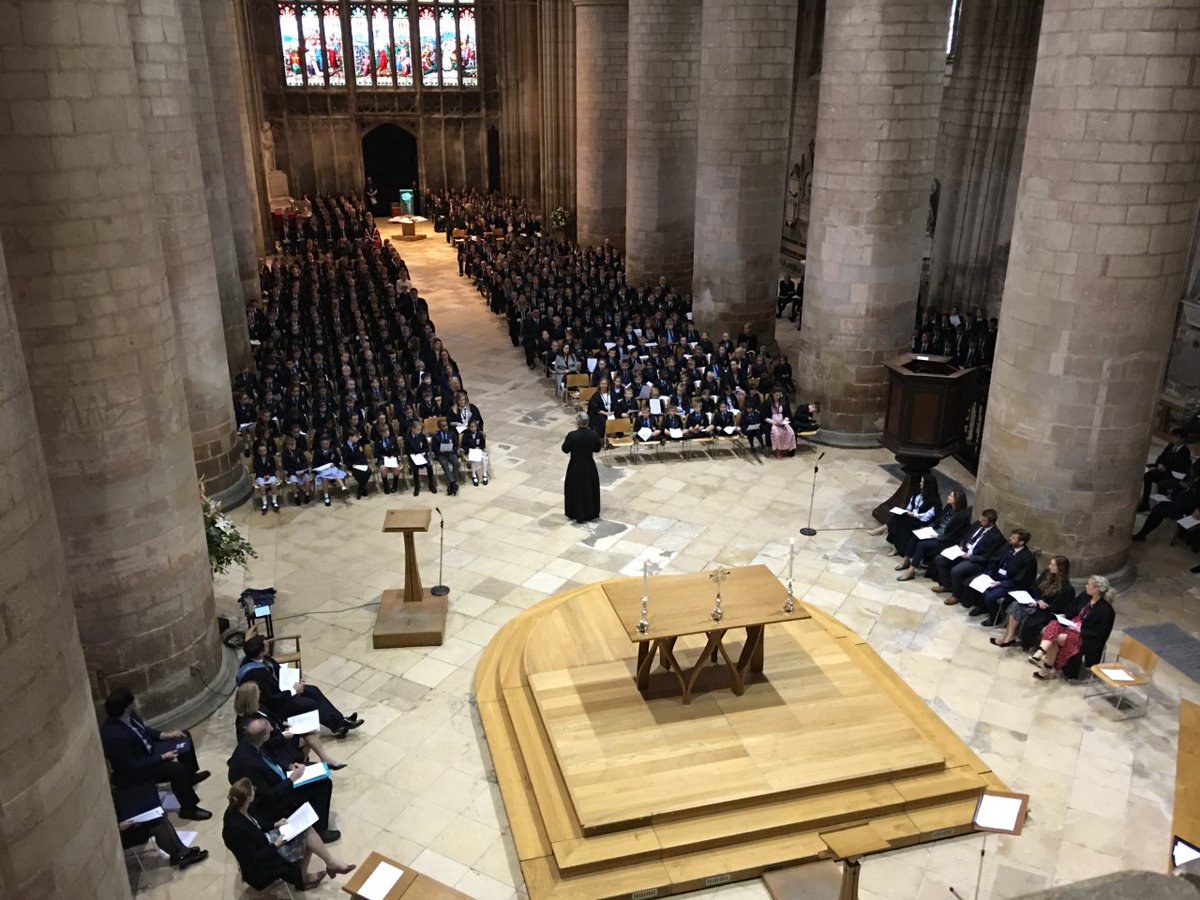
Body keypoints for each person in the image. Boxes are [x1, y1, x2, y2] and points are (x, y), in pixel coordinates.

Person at [100, 687, 213, 821]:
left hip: (148, 751)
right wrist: (162, 758)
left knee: (183, 736)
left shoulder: (129, 715)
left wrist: (165, 735)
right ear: (126, 707)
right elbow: (130, 765)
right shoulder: (115, 736)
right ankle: (188, 809)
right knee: (177, 770)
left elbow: (143, 730)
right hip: (139, 769)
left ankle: (190, 776)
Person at [226, 719, 339, 845]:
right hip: (276, 796)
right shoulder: (250, 765)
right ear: (263, 736)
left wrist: (289, 766)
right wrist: (292, 779)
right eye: (269, 729)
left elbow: (271, 759)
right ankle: (320, 830)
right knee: (323, 784)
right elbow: (269, 796)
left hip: (281, 775)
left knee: (319, 772)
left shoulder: (251, 742)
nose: (272, 730)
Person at [236, 635, 362, 737]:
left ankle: (341, 721)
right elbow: (271, 699)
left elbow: (278, 672)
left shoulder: (261, 658)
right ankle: (338, 725)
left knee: (313, 691)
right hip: (277, 705)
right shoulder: (254, 675)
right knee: (310, 704)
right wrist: (293, 691)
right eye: (266, 646)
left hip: (283, 690)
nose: (269, 645)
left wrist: (295, 680)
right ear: (259, 652)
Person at [233, 682, 345, 770]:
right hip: (276, 746)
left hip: (280, 733)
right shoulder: (247, 723)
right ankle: (303, 763)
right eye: (257, 692)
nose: (260, 693)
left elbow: (272, 717)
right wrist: (283, 736)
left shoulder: (259, 706)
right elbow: (263, 745)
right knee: (308, 738)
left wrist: (282, 723)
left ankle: (323, 759)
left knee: (311, 732)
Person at [1030, 575, 1116, 679]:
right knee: (1054, 624)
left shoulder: (1106, 611)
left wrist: (1079, 630)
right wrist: (1064, 616)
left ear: (1096, 589)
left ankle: (1045, 665)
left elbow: (1100, 634)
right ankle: (1041, 654)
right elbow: (1071, 608)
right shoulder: (1085, 596)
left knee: (1055, 638)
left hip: (1086, 637)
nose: (1086, 586)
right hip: (1072, 626)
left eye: (1088, 584)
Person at [114, 780, 209, 869]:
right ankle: (182, 853)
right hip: (121, 834)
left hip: (124, 824)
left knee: (160, 817)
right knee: (159, 826)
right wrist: (120, 826)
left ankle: (180, 853)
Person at [991, 555, 1075, 649]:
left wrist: (1044, 605)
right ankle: (1008, 636)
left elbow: (1059, 608)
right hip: (1036, 602)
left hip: (1046, 611)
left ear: (1060, 568)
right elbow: (1035, 587)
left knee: (1017, 606)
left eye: (1052, 565)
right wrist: (1038, 600)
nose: (1049, 566)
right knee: (1016, 604)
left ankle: (1009, 637)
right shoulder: (1047, 573)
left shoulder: (1067, 589)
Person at [931, 508, 1006, 606]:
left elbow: (987, 558)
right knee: (940, 559)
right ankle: (947, 585)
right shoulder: (977, 524)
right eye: (981, 518)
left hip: (975, 560)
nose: (980, 521)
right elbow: (965, 536)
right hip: (962, 551)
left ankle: (956, 595)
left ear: (991, 523)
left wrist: (971, 557)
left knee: (956, 570)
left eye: (984, 521)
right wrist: (962, 545)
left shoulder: (996, 537)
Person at [962, 528, 1037, 624]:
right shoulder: (1007, 548)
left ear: (1021, 542)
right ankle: (981, 606)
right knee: (970, 582)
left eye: (1013, 538)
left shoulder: (1028, 558)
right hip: (996, 575)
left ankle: (995, 618)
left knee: (990, 595)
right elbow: (995, 561)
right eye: (1010, 536)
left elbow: (1021, 579)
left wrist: (1001, 583)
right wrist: (989, 574)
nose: (1009, 538)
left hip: (1010, 583)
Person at [894, 489, 970, 581]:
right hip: (935, 532)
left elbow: (953, 534)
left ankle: (911, 570)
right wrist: (929, 528)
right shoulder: (949, 507)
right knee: (915, 536)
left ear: (957, 499)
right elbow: (937, 521)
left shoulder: (962, 516)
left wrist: (938, 537)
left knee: (922, 545)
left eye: (951, 496)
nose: (948, 497)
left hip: (945, 540)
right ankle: (906, 560)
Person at [871, 473, 941, 556]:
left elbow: (926, 516)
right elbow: (910, 505)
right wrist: (907, 511)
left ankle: (881, 531)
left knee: (898, 519)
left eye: (923, 482)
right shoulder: (918, 493)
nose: (920, 483)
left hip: (921, 522)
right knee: (898, 517)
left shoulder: (934, 501)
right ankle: (893, 545)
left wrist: (913, 514)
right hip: (911, 517)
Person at [562, 412, 602, 523]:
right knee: (589, 488)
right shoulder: (593, 434)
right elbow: (597, 449)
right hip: (589, 465)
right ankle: (591, 512)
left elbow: (565, 449)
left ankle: (575, 512)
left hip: (575, 466)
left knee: (576, 489)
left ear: (579, 422)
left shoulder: (572, 435)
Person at [1140, 430, 1192, 511]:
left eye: (1176, 437)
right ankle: (1145, 501)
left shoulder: (1185, 452)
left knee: (1153, 478)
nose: (1173, 438)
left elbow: (1180, 467)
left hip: (1171, 474)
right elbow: (1161, 457)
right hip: (1162, 469)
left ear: (1182, 439)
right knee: (1146, 472)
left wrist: (1165, 468)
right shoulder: (1170, 445)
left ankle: (1151, 504)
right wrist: (1159, 464)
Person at [403, 417, 438, 497]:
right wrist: (413, 454)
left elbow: (426, 447)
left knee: (429, 466)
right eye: (418, 430)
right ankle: (417, 487)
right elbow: (407, 450)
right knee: (415, 468)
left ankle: (431, 485)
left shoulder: (422, 436)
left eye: (420, 429)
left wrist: (423, 452)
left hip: (422, 455)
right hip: (414, 457)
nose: (420, 431)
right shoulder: (408, 438)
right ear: (413, 429)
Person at [311, 435, 349, 506]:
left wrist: (334, 464)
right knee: (324, 478)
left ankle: (344, 488)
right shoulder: (317, 452)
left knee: (334, 471)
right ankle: (326, 497)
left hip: (332, 469)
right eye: (323, 444)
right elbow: (314, 465)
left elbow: (337, 461)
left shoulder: (333, 449)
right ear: (320, 444)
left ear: (329, 442)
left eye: (327, 443)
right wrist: (318, 470)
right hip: (322, 471)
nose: (325, 445)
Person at [431, 417, 461, 495]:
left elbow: (455, 445)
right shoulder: (435, 436)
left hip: (451, 453)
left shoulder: (452, 433)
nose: (446, 427)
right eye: (443, 426)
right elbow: (434, 448)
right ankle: (453, 483)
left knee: (456, 463)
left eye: (446, 425)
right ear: (439, 427)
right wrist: (440, 451)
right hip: (441, 454)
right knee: (444, 464)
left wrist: (453, 450)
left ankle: (452, 483)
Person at [372, 421, 405, 494]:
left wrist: (393, 456)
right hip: (382, 458)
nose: (387, 432)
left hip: (393, 458)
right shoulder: (377, 440)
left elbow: (397, 451)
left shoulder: (393, 439)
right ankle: (385, 485)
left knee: (396, 468)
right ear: (380, 433)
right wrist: (383, 456)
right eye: (385, 431)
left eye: (388, 430)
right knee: (383, 468)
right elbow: (375, 454)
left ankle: (395, 484)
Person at [764, 388, 795, 459]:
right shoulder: (767, 403)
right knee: (777, 434)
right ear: (773, 394)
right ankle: (777, 450)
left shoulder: (784, 402)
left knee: (791, 432)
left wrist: (785, 421)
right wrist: (774, 422)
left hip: (783, 422)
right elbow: (764, 416)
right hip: (772, 423)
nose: (778, 397)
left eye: (779, 395)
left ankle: (785, 448)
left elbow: (788, 414)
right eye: (776, 395)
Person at [281, 434, 312, 505]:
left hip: (302, 471)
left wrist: (303, 470)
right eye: (292, 445)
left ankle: (307, 494)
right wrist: (295, 472)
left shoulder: (299, 451)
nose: (294, 445)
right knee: (293, 482)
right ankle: (296, 496)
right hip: (293, 472)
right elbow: (286, 466)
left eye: (294, 444)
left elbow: (304, 462)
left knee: (307, 480)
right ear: (288, 446)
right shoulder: (284, 454)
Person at [252, 442, 281, 515]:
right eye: (261, 451)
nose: (263, 452)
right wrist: (263, 476)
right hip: (261, 476)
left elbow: (273, 468)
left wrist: (269, 475)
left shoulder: (270, 457)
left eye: (264, 450)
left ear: (266, 450)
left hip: (270, 475)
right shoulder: (256, 459)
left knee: (273, 484)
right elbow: (256, 469)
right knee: (261, 486)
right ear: (258, 452)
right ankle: (265, 503)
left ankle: (274, 502)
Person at [460, 418, 490, 486]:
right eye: (471, 427)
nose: (473, 428)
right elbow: (463, 445)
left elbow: (483, 444)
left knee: (484, 459)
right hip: (470, 452)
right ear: (469, 427)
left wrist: (479, 448)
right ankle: (474, 475)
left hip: (478, 451)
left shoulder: (479, 434)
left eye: (474, 427)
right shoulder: (466, 435)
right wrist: (470, 449)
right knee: (474, 460)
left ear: (476, 427)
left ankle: (484, 474)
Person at [343, 430, 372, 499]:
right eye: (356, 437)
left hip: (361, 464)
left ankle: (360, 488)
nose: (358, 438)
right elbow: (346, 460)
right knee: (360, 474)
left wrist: (366, 464)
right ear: (350, 437)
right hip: (352, 466)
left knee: (369, 471)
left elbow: (363, 456)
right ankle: (363, 488)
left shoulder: (358, 445)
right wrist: (353, 465)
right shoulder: (345, 448)